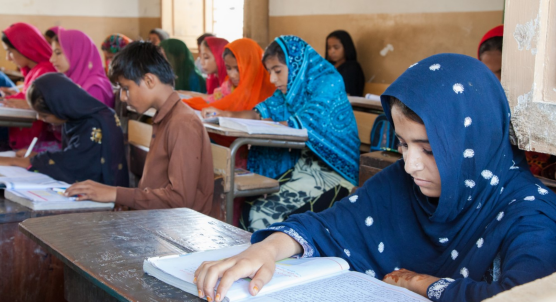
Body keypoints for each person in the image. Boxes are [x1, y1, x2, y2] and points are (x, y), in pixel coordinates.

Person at [195, 53, 556, 302]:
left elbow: (523, 297)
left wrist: (425, 284)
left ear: (472, 144)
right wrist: (266, 249)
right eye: (402, 144)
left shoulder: (528, 213)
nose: (411, 164)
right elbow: (329, 226)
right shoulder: (401, 183)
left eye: (430, 150)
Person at [202, 36, 360, 231]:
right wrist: (225, 114)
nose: (272, 79)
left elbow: (304, 125)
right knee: (250, 206)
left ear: (296, 66)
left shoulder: (328, 83)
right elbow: (259, 112)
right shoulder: (290, 89)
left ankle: (272, 259)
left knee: (267, 216)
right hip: (302, 168)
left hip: (333, 174)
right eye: (269, 72)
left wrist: (274, 124)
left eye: (277, 71)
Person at [65, 41, 218, 218]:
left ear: (149, 80)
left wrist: (115, 193)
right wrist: (126, 202)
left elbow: (179, 200)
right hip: (158, 222)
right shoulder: (165, 117)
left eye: (125, 88)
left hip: (179, 232)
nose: (122, 97)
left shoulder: (182, 123)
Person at [0, 73, 128, 186]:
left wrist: (15, 161)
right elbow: (73, 155)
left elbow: (74, 164)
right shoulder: (78, 116)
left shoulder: (95, 124)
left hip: (104, 198)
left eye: (45, 115)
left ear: (60, 107)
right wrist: (37, 156)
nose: (39, 118)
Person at [0, 22, 59, 151]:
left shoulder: (45, 71)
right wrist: (12, 98)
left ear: (23, 47)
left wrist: (7, 100)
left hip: (39, 145)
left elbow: (38, 102)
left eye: (9, 52)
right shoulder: (35, 70)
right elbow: (27, 97)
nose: (8, 58)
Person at [184, 38, 274, 111]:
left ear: (251, 67)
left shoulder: (272, 92)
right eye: (228, 68)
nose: (232, 75)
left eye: (238, 69)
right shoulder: (229, 86)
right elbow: (213, 100)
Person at [50, 28, 114, 107]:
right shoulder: (73, 81)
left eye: (58, 53)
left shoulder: (93, 88)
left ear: (77, 53)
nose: (51, 59)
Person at [325, 30, 365, 97]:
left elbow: (348, 94)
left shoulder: (352, 68)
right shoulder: (328, 67)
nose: (332, 51)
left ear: (346, 47)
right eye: (329, 48)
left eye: (336, 47)